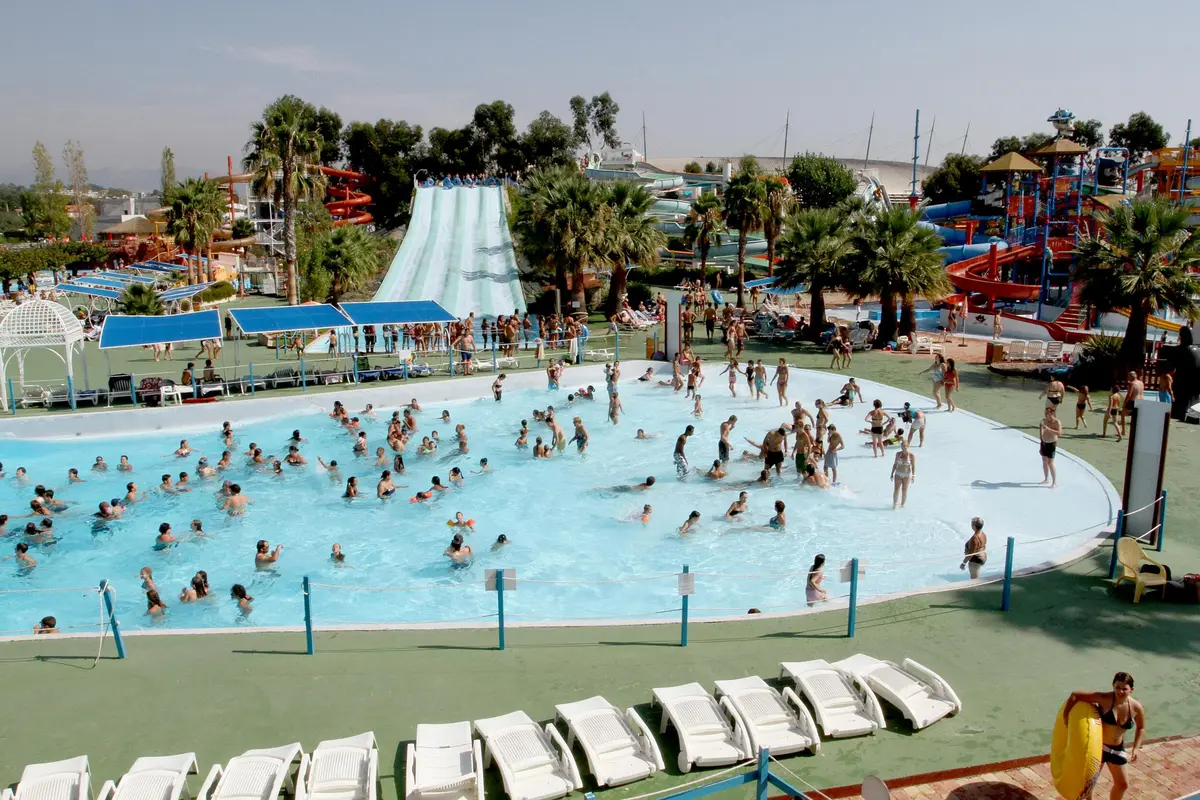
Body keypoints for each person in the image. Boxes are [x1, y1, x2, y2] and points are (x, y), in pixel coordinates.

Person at [1062, 672, 1146, 800]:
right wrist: (1066, 716)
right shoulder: (1104, 699)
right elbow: (1075, 695)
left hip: (1117, 749)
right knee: (1088, 785)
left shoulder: (1136, 707)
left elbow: (1141, 728)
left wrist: (1136, 747)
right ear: (1113, 686)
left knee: (1123, 784)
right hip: (1098, 748)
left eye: (1124, 689)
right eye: (1117, 687)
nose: (1120, 691)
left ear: (1131, 689)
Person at [1039, 405, 1063, 488]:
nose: (1047, 415)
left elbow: (1059, 433)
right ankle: (1046, 479)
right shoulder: (1043, 421)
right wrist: (1041, 444)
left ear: (1053, 413)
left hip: (1051, 443)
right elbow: (1041, 433)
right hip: (1044, 443)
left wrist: (1048, 429)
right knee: (1044, 461)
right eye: (1046, 413)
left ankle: (1054, 482)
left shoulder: (1057, 422)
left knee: (1050, 463)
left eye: (1049, 413)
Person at [890, 442, 915, 509]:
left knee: (904, 490)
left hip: (907, 475)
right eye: (902, 446)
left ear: (908, 446)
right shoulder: (898, 454)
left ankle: (902, 505)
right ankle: (895, 504)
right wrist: (892, 473)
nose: (904, 448)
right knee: (896, 489)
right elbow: (895, 464)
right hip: (898, 473)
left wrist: (913, 475)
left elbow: (913, 466)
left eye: (905, 446)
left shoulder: (911, 455)